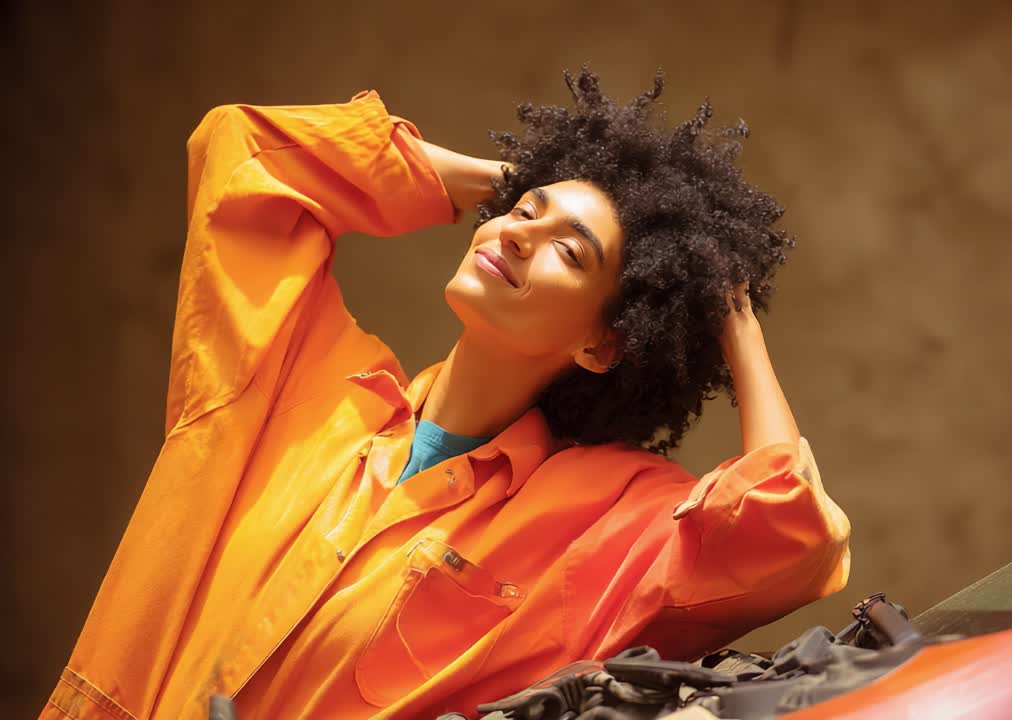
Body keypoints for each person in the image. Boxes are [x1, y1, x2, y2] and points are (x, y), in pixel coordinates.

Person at [41, 68, 850, 720]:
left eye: (569, 250)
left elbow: (784, 531)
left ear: (603, 343)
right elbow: (245, 151)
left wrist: (729, 312)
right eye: (523, 213)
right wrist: (511, 182)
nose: (520, 232)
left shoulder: (592, 525)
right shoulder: (297, 383)